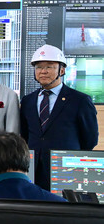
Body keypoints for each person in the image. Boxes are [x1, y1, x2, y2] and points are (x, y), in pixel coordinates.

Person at [20, 45, 98, 190]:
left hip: (66, 170)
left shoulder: (80, 100)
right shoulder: (27, 101)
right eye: (38, 67)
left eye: (49, 67)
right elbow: (24, 135)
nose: (43, 71)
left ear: (61, 70)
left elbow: (90, 139)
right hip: (32, 170)